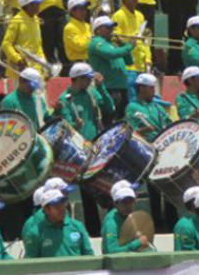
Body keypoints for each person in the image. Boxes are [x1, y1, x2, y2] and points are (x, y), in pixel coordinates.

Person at [59, 62, 113, 236]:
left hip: (97, 146)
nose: (90, 82)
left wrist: (102, 87)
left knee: (107, 188)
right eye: (87, 79)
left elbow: (110, 107)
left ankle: (112, 226)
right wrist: (76, 124)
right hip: (80, 151)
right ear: (77, 79)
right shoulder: (65, 99)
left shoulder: (91, 93)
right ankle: (94, 231)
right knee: (88, 193)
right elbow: (67, 126)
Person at [125, 73, 175, 231]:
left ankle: (172, 222)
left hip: (164, 149)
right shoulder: (132, 107)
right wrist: (144, 130)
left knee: (169, 186)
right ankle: (158, 224)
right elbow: (130, 132)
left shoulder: (157, 107)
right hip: (147, 151)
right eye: (151, 88)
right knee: (154, 190)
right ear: (142, 88)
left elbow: (169, 123)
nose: (154, 91)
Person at [88, 15, 134, 121]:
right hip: (109, 87)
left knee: (122, 119)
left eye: (112, 27)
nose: (111, 30)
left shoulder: (112, 44)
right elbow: (112, 54)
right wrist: (129, 46)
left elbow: (129, 61)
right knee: (110, 118)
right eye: (107, 27)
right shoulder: (97, 42)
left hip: (121, 86)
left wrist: (123, 44)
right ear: (98, 30)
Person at [23, 189, 94, 257]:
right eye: (57, 207)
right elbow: (31, 260)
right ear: (47, 210)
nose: (62, 209)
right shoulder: (36, 233)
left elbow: (88, 254)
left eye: (63, 204)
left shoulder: (77, 226)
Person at [0, 0, 47, 80]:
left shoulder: (36, 19)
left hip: (35, 66)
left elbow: (38, 44)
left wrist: (43, 62)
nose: (39, 6)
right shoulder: (16, 20)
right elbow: (6, 44)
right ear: (29, 6)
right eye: (36, 4)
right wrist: (18, 59)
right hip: (19, 68)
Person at [101, 186, 151, 254]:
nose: (127, 206)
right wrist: (137, 243)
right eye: (124, 202)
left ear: (135, 203)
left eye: (130, 202)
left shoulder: (134, 218)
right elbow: (111, 251)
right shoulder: (111, 223)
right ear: (115, 204)